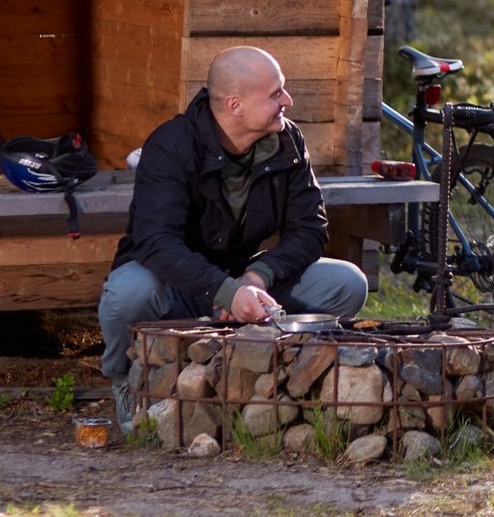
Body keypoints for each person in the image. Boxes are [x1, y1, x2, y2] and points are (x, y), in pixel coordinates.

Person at [98, 46, 368, 429]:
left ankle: (286, 378)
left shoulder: (288, 142)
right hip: (177, 284)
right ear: (235, 104)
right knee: (128, 291)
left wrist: (256, 279)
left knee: (346, 284)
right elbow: (154, 240)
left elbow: (310, 228)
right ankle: (125, 379)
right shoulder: (171, 145)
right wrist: (223, 291)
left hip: (244, 279)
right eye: (276, 93)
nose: (287, 102)